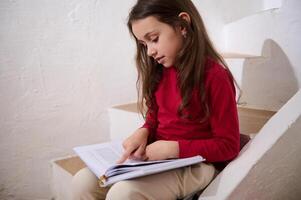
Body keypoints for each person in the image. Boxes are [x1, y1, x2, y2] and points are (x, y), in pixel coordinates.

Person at [72, 0, 240, 199]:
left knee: (124, 194)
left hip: (196, 163)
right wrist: (143, 131)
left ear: (182, 25)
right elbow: (154, 119)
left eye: (154, 39)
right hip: (159, 159)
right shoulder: (159, 72)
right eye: (144, 44)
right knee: (82, 182)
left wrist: (173, 148)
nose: (150, 51)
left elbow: (228, 146)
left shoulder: (215, 76)